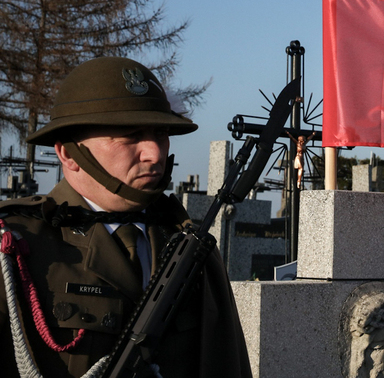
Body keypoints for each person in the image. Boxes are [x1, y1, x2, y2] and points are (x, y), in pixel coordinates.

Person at [0, 57, 252, 378]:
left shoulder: (187, 243)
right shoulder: (15, 245)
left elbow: (225, 363)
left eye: (160, 134)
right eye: (130, 135)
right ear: (68, 153)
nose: (155, 153)